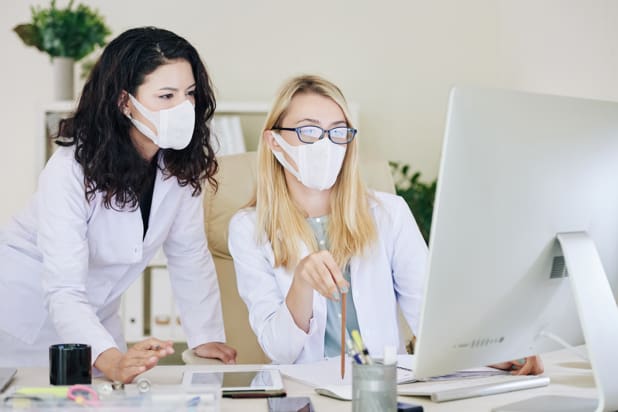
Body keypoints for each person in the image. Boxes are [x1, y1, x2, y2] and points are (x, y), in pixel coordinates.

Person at [228, 75, 543, 375]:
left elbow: (430, 317)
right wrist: (302, 283)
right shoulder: (248, 228)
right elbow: (279, 350)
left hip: (381, 387)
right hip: (303, 393)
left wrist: (496, 353)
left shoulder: (389, 213)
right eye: (308, 131)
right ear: (274, 141)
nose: (325, 144)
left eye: (338, 132)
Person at [0, 27, 236, 382]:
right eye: (166, 95)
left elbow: (189, 254)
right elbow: (63, 288)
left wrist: (205, 338)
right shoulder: (68, 172)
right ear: (125, 102)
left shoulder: (178, 167)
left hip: (94, 314)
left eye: (189, 94)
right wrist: (109, 359)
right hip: (25, 312)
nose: (183, 108)